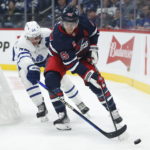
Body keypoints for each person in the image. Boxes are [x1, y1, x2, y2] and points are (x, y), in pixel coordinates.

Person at [44, 5, 123, 130]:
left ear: (78, 21)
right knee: (51, 79)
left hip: (81, 53)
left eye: (72, 24)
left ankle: (113, 111)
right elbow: (72, 65)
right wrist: (89, 75)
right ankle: (62, 115)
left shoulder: (84, 22)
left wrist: (93, 48)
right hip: (59, 57)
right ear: (61, 20)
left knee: (98, 83)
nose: (69, 27)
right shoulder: (59, 37)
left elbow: (94, 33)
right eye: (66, 23)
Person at [12, 21, 89, 123]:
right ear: (27, 37)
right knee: (27, 79)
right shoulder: (21, 44)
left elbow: (57, 46)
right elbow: (23, 59)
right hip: (31, 63)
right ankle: (40, 105)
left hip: (48, 58)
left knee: (62, 79)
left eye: (38, 36)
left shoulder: (48, 34)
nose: (36, 40)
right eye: (32, 38)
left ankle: (79, 102)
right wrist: (30, 67)